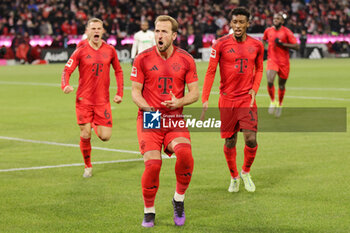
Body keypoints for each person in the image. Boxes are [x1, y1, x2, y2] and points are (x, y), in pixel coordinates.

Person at [131, 15, 199, 227]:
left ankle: (178, 199)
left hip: (174, 117)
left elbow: (195, 93)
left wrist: (179, 100)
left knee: (186, 155)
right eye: (157, 31)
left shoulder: (186, 59)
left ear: (174, 35)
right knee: (153, 164)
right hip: (151, 116)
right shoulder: (142, 58)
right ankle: (149, 210)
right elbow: (135, 92)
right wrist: (147, 107)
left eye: (164, 32)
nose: (159, 36)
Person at [201, 7, 264, 193]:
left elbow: (259, 69)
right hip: (227, 100)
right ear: (230, 23)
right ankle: (234, 176)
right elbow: (211, 71)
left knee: (251, 139)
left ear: (248, 24)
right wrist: (205, 98)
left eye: (241, 22)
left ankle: (246, 172)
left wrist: (254, 89)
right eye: (235, 22)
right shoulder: (219, 44)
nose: (238, 26)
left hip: (247, 99)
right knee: (230, 141)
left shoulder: (257, 45)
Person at [61, 18, 124, 178]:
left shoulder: (110, 50)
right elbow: (66, 70)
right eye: (93, 28)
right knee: (85, 134)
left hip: (102, 101)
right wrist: (65, 85)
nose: (96, 31)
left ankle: (95, 122)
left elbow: (118, 71)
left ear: (103, 31)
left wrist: (119, 93)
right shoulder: (80, 51)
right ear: (87, 31)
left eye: (99, 28)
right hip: (84, 100)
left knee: (105, 137)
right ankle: (88, 166)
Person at [263, 13, 299, 117]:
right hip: (272, 60)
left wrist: (282, 44)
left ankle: (280, 104)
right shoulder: (268, 31)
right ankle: (273, 101)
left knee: (281, 85)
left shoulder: (286, 32)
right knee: (270, 81)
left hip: (284, 63)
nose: (275, 20)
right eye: (274, 18)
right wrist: (264, 50)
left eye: (278, 19)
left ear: (282, 21)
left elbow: (296, 46)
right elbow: (263, 40)